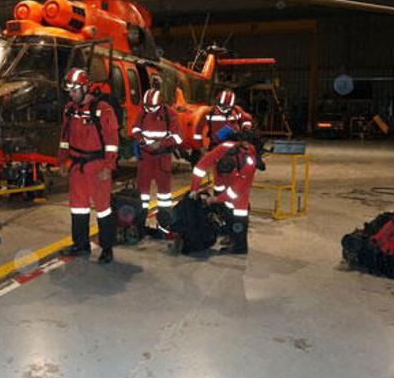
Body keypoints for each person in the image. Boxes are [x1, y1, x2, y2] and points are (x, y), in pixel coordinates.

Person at [58, 67, 119, 263]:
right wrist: (63, 161)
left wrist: (108, 167)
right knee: (78, 207)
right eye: (69, 90)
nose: (71, 93)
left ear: (85, 88)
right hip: (77, 166)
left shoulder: (102, 109)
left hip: (97, 165)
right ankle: (80, 244)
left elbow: (112, 141)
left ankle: (107, 248)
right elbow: (64, 138)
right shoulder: (69, 109)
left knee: (103, 208)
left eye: (74, 89)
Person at [190, 129, 258, 254]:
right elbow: (200, 168)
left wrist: (215, 199)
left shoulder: (248, 163)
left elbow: (235, 192)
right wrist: (194, 189)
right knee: (227, 208)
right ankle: (231, 235)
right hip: (227, 181)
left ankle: (239, 247)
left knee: (239, 212)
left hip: (241, 185)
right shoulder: (221, 150)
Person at [130, 88, 183, 237]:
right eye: (147, 107)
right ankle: (139, 225)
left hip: (162, 159)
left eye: (153, 107)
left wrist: (161, 143)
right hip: (146, 158)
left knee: (164, 195)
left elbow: (178, 137)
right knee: (142, 193)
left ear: (160, 104)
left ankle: (164, 226)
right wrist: (141, 141)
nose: (150, 110)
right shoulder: (143, 112)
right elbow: (135, 129)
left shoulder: (170, 114)